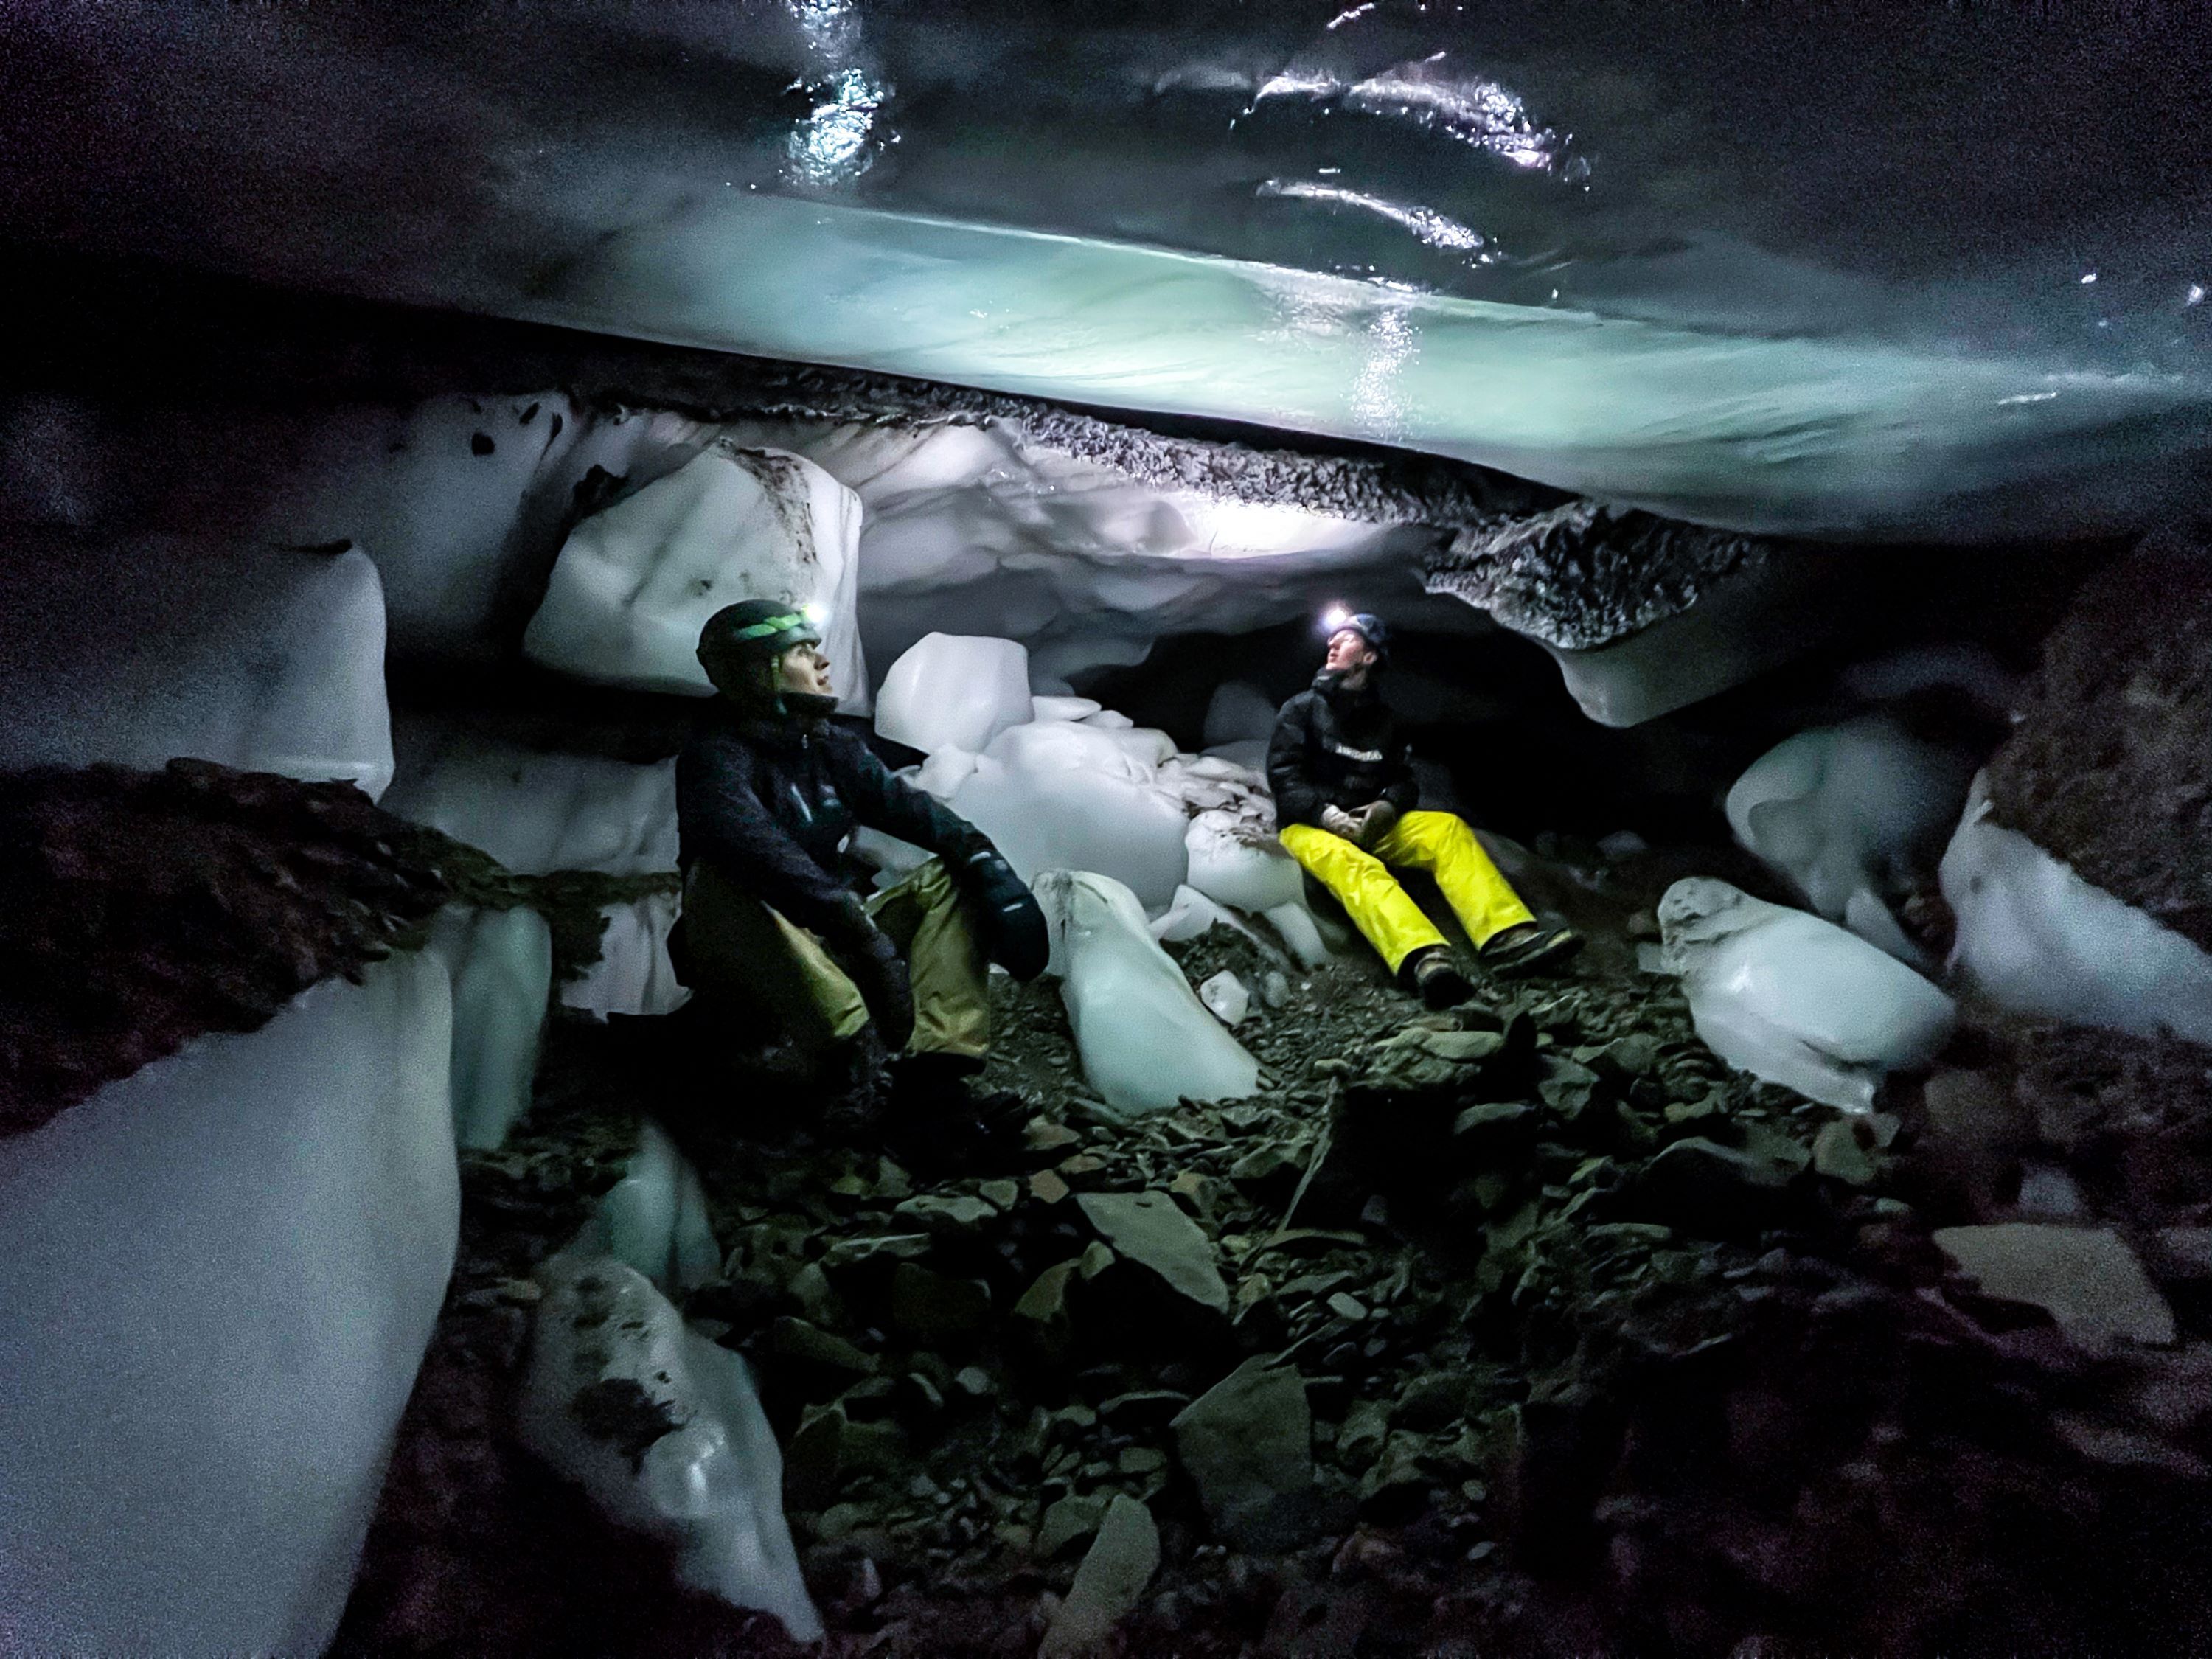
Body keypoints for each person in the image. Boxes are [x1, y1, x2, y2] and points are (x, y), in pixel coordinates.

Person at [672, 598, 1048, 1145]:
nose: (823, 664)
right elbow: (752, 847)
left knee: (949, 879)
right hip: (753, 971)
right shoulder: (717, 758)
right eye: (801, 652)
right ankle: (857, 1072)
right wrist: (861, 935)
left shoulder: (829, 750)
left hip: (831, 943)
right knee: (723, 877)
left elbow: (921, 816)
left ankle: (933, 1086)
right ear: (758, 670)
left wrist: (989, 868)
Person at [1267, 611, 1579, 1006]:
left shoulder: (1384, 722)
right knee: (1354, 865)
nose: (1332, 645)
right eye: (1333, 640)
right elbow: (1283, 776)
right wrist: (1324, 813)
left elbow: (1403, 780)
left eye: (1345, 640)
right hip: (1308, 826)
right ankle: (1423, 957)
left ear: (1369, 658)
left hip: (1367, 822)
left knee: (1445, 829)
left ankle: (1505, 936)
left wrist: (1386, 806)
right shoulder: (1301, 709)